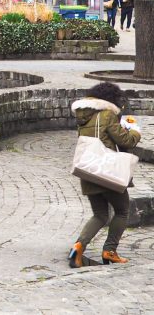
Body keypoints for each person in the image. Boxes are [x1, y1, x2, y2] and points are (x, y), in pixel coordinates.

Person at [68, 82, 142, 267]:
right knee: (122, 210)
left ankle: (78, 246)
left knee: (100, 214)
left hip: (88, 170)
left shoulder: (83, 116)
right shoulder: (107, 114)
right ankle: (110, 250)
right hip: (106, 170)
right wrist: (134, 130)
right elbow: (125, 140)